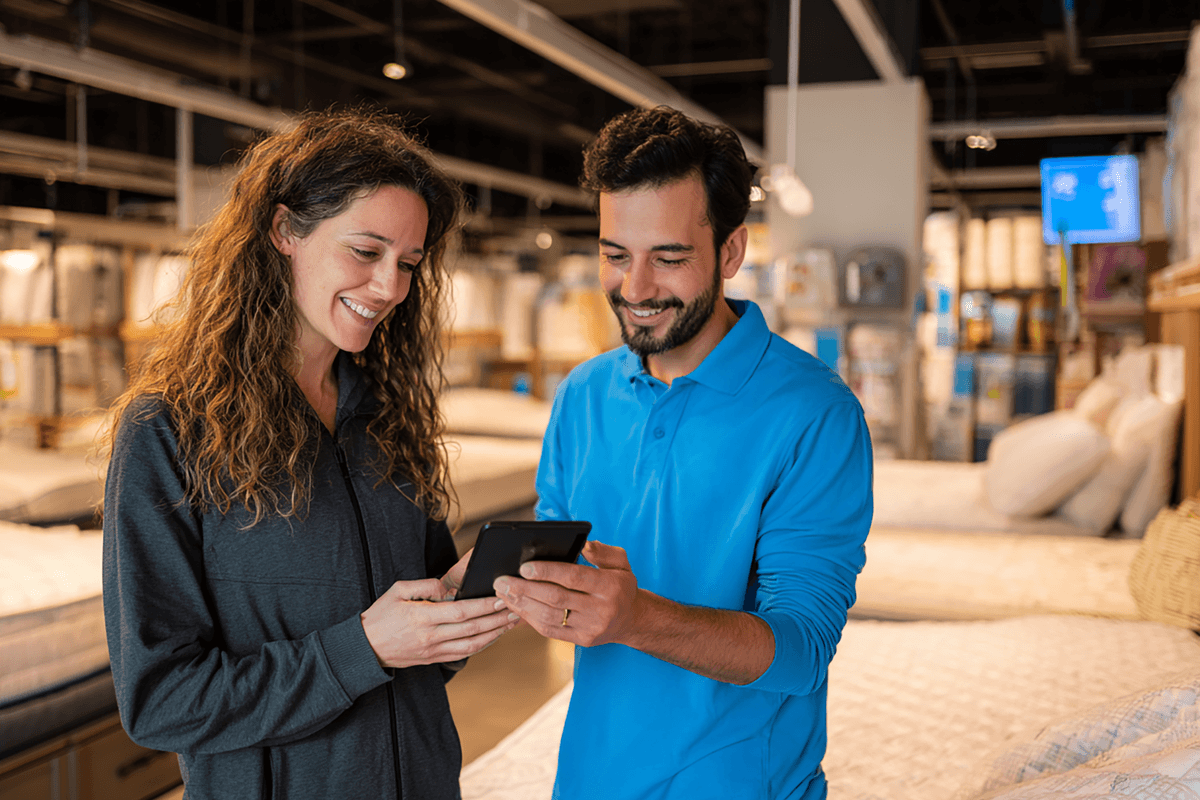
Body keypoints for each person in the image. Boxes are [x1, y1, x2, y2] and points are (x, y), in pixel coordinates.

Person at [101, 108, 518, 800]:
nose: (390, 286)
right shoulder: (169, 431)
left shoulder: (384, 416)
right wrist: (365, 647)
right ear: (284, 230)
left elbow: (419, 656)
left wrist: (462, 610)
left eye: (409, 263)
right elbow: (162, 700)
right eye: (365, 251)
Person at [493, 106, 874, 799]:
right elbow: (556, 568)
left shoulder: (815, 412)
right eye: (616, 256)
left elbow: (801, 651)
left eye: (668, 259)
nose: (635, 290)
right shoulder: (583, 394)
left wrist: (637, 616)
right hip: (589, 776)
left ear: (730, 252)